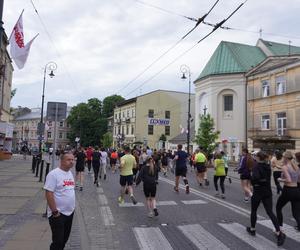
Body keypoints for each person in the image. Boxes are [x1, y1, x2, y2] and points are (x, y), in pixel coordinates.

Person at [246, 151, 285, 246]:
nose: (254, 157)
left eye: (256, 156)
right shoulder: (267, 166)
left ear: (259, 158)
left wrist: (252, 179)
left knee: (254, 211)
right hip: (267, 192)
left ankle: (252, 229)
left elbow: (256, 178)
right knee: (270, 212)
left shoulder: (256, 167)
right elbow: (265, 178)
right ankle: (279, 232)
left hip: (258, 191)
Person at [44, 152, 75, 250]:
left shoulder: (69, 173)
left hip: (69, 213)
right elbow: (49, 193)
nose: (71, 162)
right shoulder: (54, 174)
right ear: (61, 161)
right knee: (58, 241)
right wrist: (55, 212)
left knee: (64, 240)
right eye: (68, 160)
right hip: (58, 214)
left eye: (72, 160)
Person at [276, 151, 300, 232]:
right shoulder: (296, 167)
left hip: (288, 190)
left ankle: (280, 227)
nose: (283, 158)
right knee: (295, 213)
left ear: (286, 158)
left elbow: (288, 180)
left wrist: (280, 179)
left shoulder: (285, 167)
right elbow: (298, 180)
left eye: (283, 157)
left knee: (278, 207)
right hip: (296, 190)